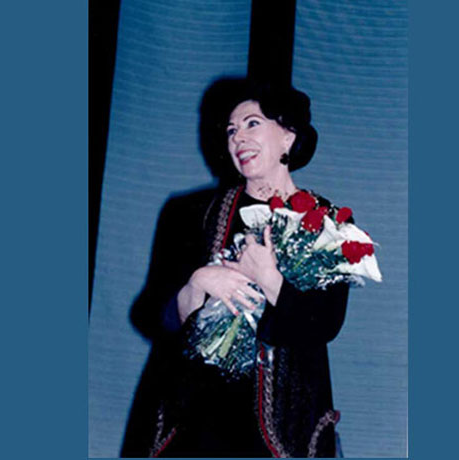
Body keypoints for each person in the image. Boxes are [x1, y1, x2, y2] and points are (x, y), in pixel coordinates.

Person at [121, 79, 350, 457]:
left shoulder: (327, 223)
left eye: (252, 124)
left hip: (283, 428)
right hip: (199, 421)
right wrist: (198, 282)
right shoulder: (191, 214)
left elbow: (324, 324)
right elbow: (153, 316)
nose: (238, 138)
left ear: (288, 136)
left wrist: (268, 277)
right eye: (231, 130)